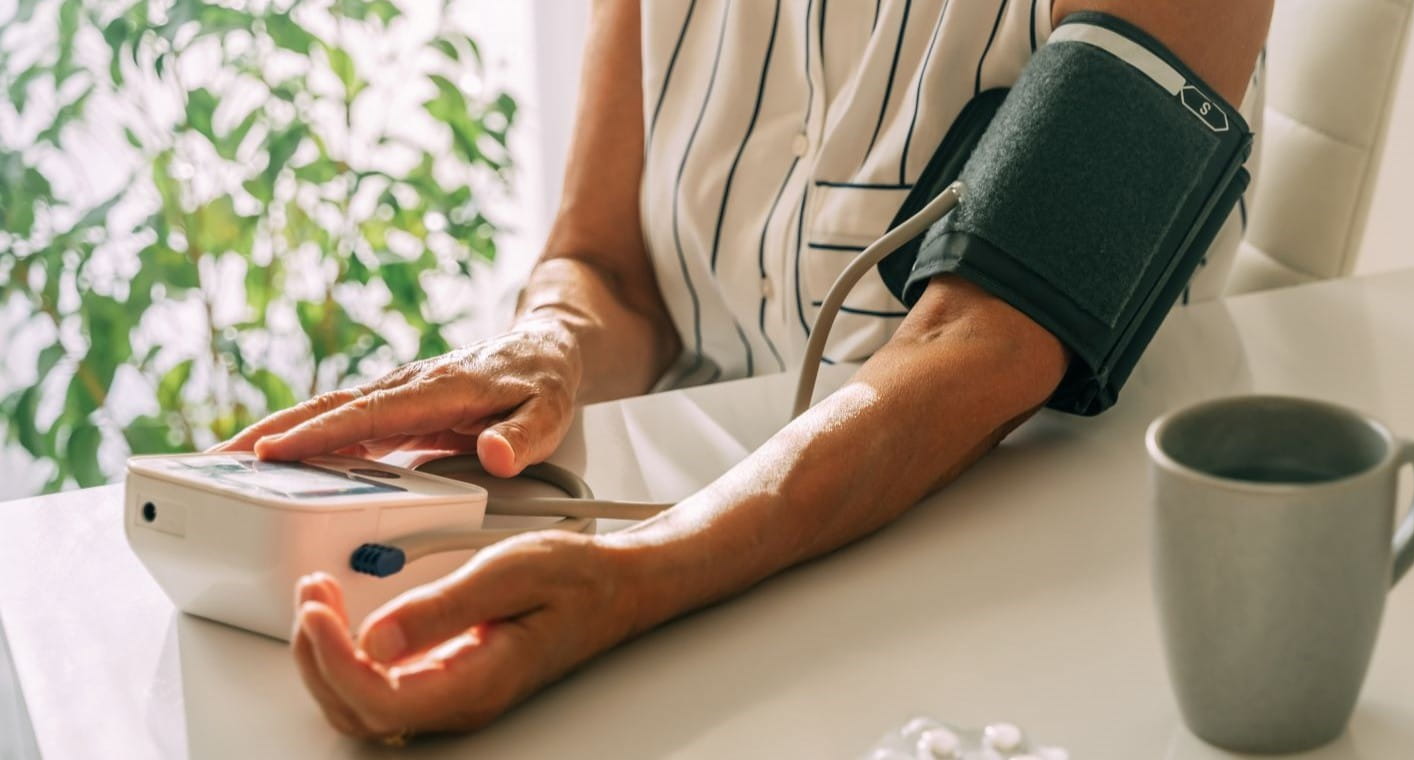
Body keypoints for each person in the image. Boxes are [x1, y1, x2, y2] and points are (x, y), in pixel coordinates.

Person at [220, 0, 1271, 741]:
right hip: (717, 565)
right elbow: (606, 268)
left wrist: (641, 574)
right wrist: (547, 339)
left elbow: (983, 339)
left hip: (1037, 593)